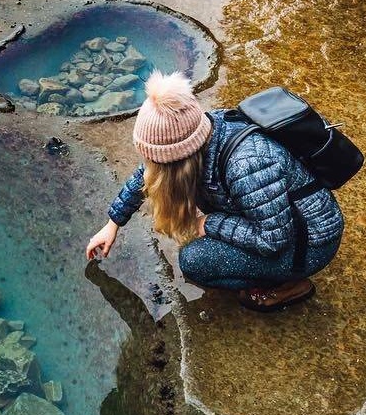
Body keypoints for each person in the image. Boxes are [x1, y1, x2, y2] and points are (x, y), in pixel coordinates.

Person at [86, 71, 344, 312]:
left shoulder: (248, 165)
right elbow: (150, 174)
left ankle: (291, 285)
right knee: (203, 245)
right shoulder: (201, 131)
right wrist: (113, 222)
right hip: (275, 217)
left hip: (309, 243)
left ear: (178, 157)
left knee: (195, 261)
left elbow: (273, 240)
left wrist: (210, 223)